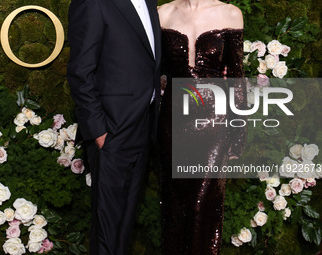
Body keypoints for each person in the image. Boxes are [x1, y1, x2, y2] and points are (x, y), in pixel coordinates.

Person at [66, 0, 161, 254]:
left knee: (124, 226)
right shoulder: (94, 3)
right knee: (107, 229)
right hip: (112, 129)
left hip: (145, 124)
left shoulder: (150, 3)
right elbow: (80, 72)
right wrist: (98, 130)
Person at [157, 0, 247, 254]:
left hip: (214, 124)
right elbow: (152, 71)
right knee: (173, 208)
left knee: (203, 206)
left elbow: (237, 78)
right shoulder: (163, 13)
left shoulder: (230, 13)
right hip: (172, 122)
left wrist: (238, 131)